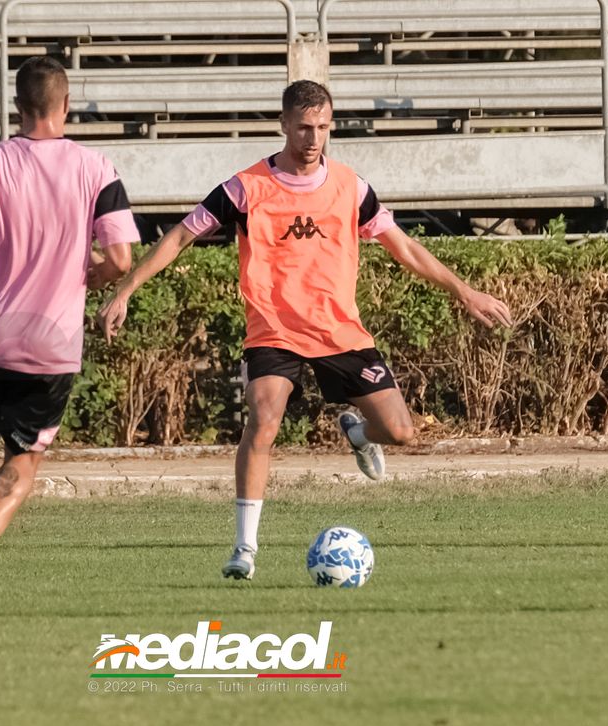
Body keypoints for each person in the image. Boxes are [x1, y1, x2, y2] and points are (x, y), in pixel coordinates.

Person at [96, 80, 512, 581]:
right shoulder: (245, 188)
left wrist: (464, 291)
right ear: (284, 125)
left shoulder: (351, 187)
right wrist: (126, 290)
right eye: (303, 128)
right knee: (264, 416)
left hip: (340, 331)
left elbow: (404, 247)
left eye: (322, 127)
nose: (313, 138)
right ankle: (244, 549)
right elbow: (183, 235)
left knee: (400, 431)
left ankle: (358, 433)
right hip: (274, 329)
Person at [0, 56, 138, 622]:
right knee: (25, 457)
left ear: (17, 107)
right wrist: (88, 275)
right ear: (66, 106)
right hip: (51, 341)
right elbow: (120, 258)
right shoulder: (95, 167)